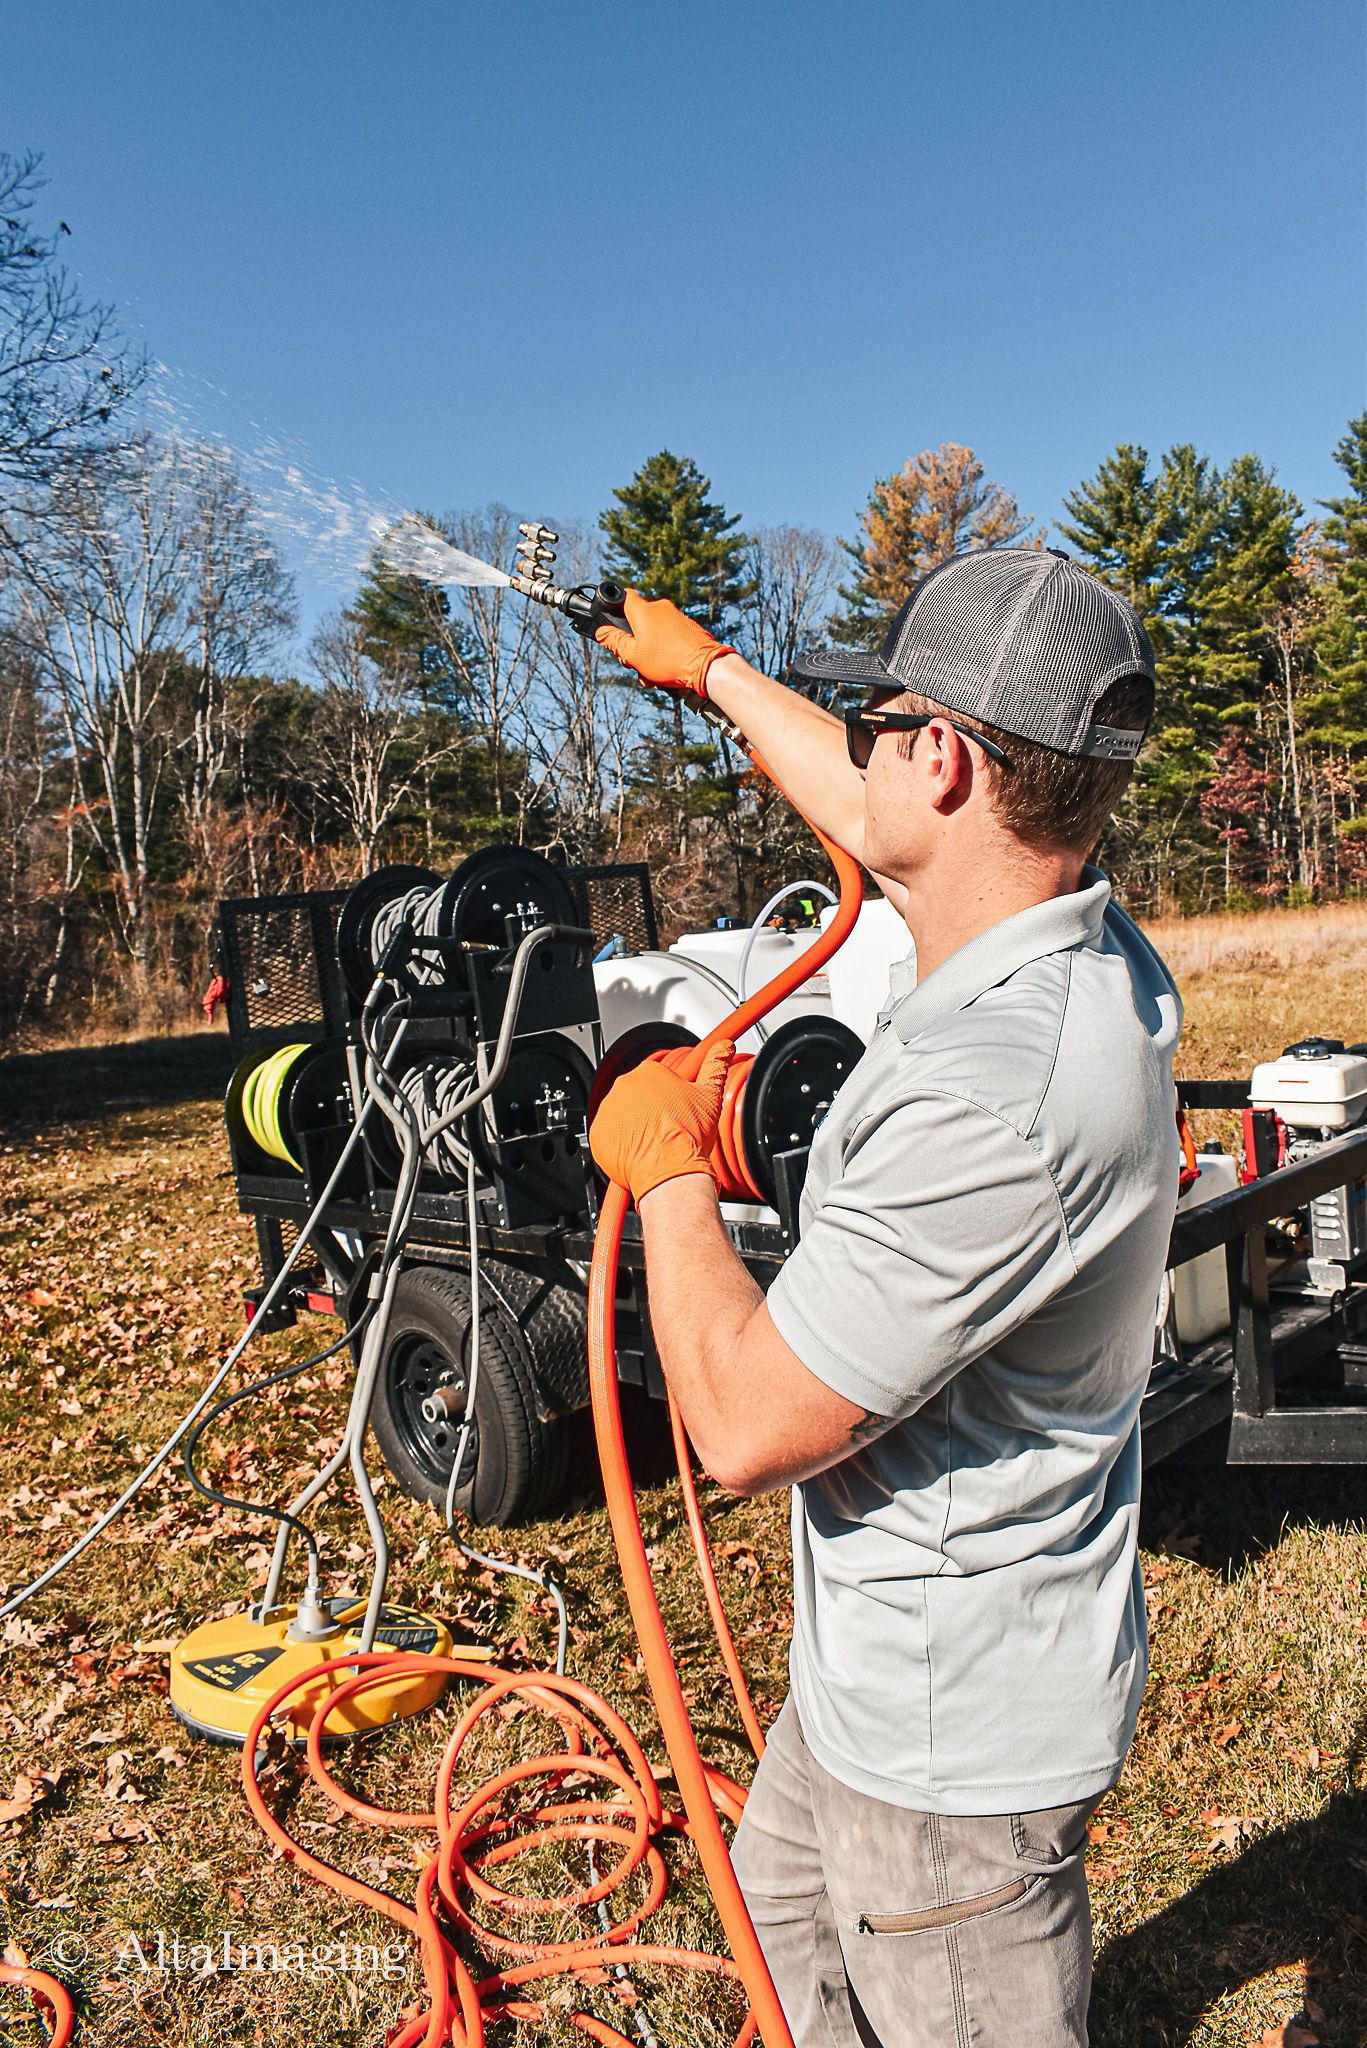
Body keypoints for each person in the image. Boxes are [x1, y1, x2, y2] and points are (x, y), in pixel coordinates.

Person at [586, 546, 1183, 2048]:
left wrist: (664, 1163)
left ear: (949, 758)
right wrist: (710, 672)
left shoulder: (1004, 1093)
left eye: (883, 721)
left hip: (948, 1766)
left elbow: (739, 1421)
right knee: (785, 1974)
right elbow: (865, 808)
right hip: (866, 1691)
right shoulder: (1062, 933)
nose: (856, 754)